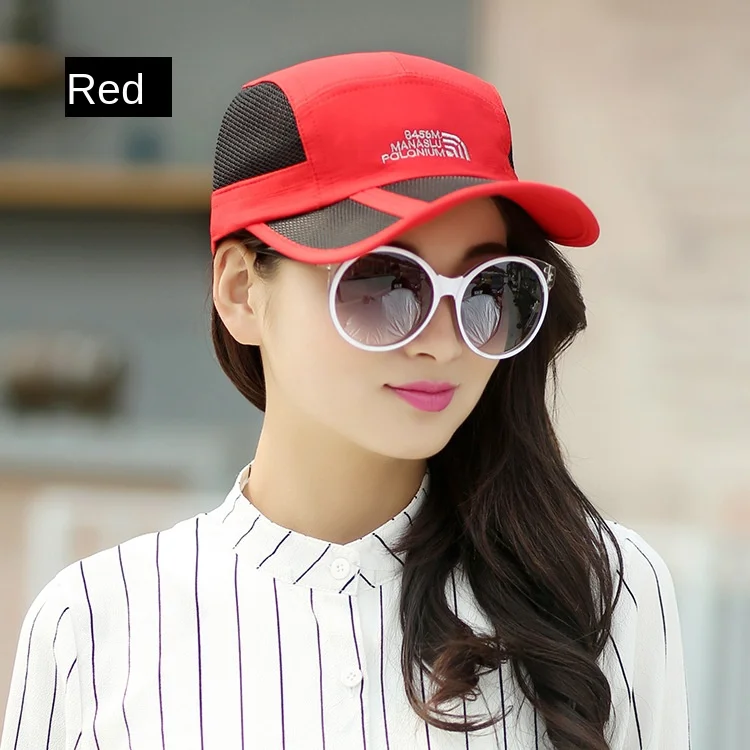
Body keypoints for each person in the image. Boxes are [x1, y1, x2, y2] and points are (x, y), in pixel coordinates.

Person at [0, 51, 691, 750]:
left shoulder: (604, 591)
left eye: (487, 289)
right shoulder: (93, 623)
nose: (444, 342)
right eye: (387, 284)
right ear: (242, 291)